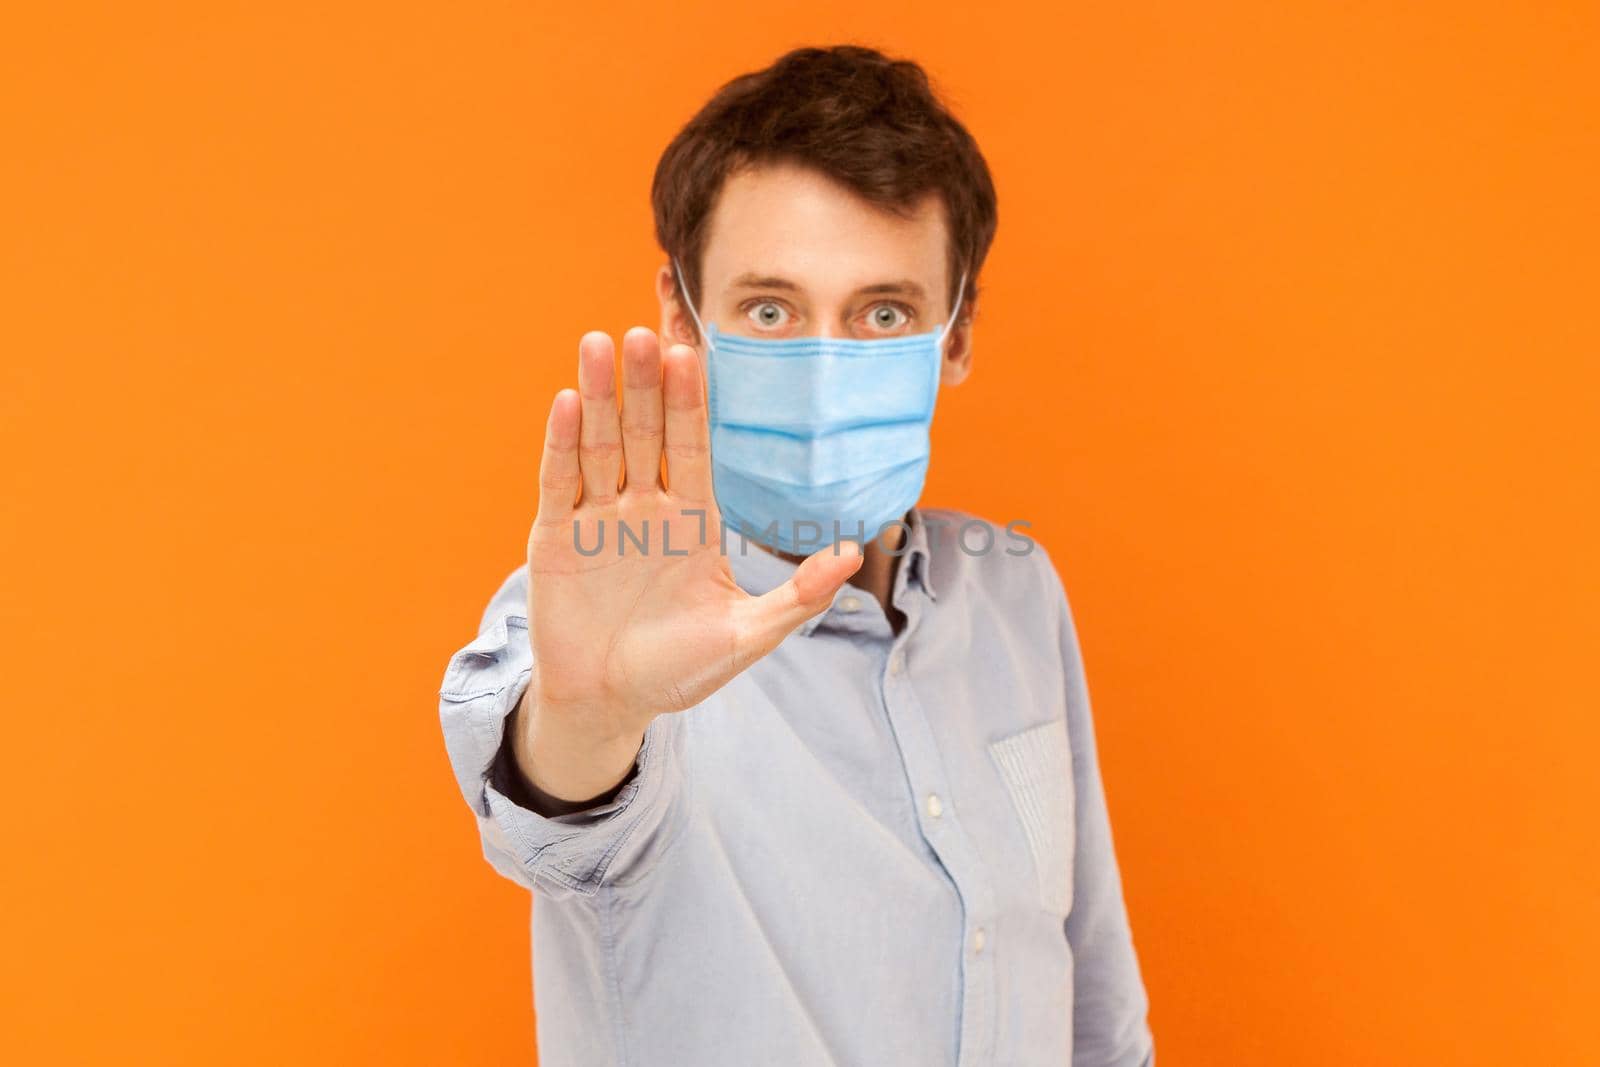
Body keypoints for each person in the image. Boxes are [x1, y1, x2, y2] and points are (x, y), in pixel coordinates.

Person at [439, 44, 1154, 1067]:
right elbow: (548, 795)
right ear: (682, 314)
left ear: (955, 337)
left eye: (883, 313)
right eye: (769, 311)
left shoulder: (1014, 589)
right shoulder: (613, 625)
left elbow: (1089, 989)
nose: (825, 364)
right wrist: (590, 721)